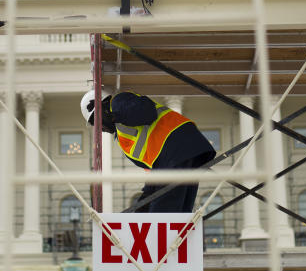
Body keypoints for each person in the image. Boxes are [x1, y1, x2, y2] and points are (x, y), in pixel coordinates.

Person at [81, 89, 215, 213]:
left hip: (177, 148)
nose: (100, 128)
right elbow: (152, 166)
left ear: (102, 108)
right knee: (180, 213)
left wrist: (114, 116)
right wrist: (144, 201)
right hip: (178, 155)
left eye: (96, 121)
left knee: (162, 214)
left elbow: (147, 111)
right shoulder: (122, 135)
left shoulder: (118, 102)